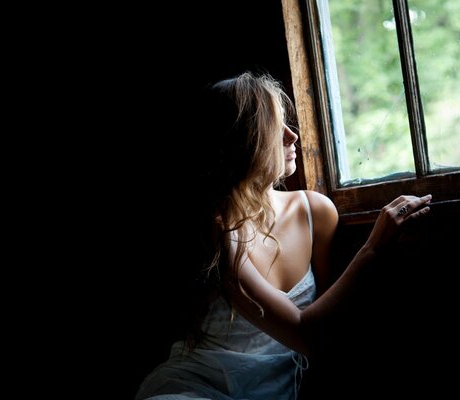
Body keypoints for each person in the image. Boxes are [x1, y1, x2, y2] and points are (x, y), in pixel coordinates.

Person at [134, 72, 432, 400]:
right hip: (202, 387)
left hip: (283, 388)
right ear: (243, 143)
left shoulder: (313, 211)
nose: (293, 136)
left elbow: (330, 327)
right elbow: (304, 335)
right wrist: (374, 247)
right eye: (276, 129)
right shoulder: (220, 232)